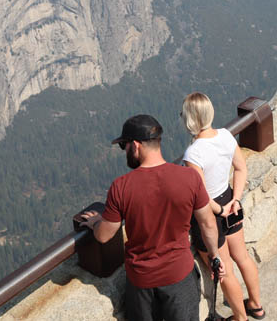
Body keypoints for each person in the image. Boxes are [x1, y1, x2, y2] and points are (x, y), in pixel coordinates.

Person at [78, 114, 225, 321]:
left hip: (141, 283)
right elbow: (208, 224)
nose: (125, 152)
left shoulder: (121, 187)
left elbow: (103, 236)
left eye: (124, 146)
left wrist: (95, 223)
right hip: (180, 276)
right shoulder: (189, 178)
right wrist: (215, 256)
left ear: (136, 146)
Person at [182, 92, 266, 321]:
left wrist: (220, 210)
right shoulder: (226, 136)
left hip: (209, 213)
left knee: (225, 270)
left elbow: (199, 195)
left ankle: (240, 318)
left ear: (189, 119)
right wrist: (235, 201)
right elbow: (241, 168)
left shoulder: (193, 154)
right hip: (230, 200)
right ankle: (256, 306)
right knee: (243, 257)